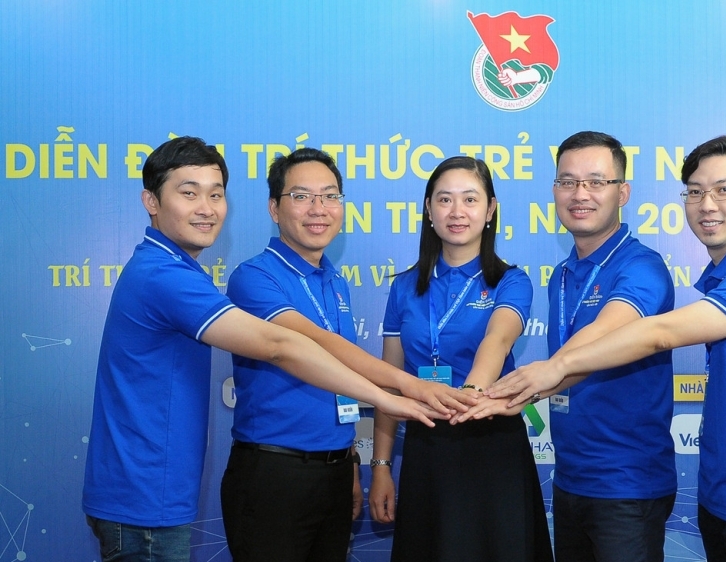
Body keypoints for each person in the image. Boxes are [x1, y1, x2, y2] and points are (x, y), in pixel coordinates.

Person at [82, 137, 441, 562]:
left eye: (216, 194)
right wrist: (390, 394)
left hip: (161, 491)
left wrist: (351, 458)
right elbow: (280, 346)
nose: (206, 208)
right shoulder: (167, 275)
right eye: (189, 193)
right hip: (150, 495)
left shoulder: (181, 269)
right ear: (151, 201)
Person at [488, 135, 726, 562]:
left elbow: (657, 334)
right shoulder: (723, 276)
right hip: (719, 490)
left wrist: (552, 369)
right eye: (695, 192)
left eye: (723, 190)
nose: (707, 204)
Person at [219, 148, 475, 561]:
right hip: (274, 474)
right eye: (302, 196)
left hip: (336, 470)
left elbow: (338, 379)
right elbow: (316, 344)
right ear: (274, 208)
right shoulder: (254, 277)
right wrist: (406, 387)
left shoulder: (335, 282)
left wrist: (351, 461)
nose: (318, 208)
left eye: (330, 196)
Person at [463, 131, 677, 562]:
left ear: (622, 193)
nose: (580, 194)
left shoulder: (642, 266)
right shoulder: (561, 274)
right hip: (570, 480)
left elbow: (609, 330)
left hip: (627, 487)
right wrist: (516, 392)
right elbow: (574, 368)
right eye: (567, 182)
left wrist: (529, 383)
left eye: (596, 182)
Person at [368, 156, 553, 562]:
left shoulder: (511, 281)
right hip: (427, 446)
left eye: (470, 199)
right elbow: (389, 381)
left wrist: (470, 393)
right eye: (444, 199)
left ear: (490, 210)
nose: (457, 211)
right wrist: (381, 465)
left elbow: (497, 339)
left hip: (491, 442)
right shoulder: (404, 287)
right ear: (428, 209)